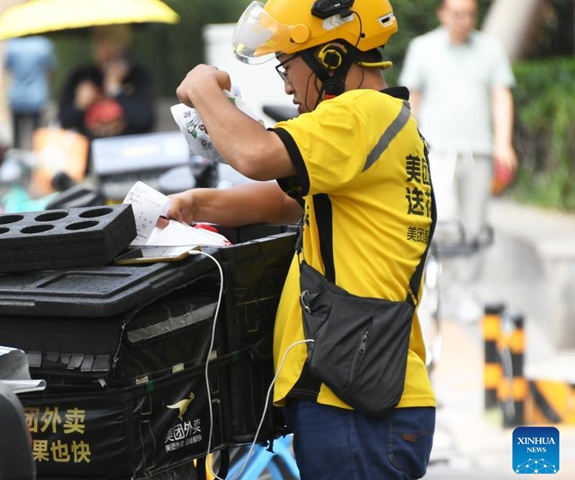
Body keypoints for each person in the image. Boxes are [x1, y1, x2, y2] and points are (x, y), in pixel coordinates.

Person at [165, 0, 436, 478]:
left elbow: (254, 153)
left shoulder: (361, 112)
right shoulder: (384, 123)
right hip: (365, 394)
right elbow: (290, 201)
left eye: (287, 66)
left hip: (354, 402)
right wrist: (198, 203)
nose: (286, 84)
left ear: (331, 58)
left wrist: (204, 87)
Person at [399, 0, 517, 323]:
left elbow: (500, 95)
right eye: (456, 13)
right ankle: (440, 289)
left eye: (468, 14)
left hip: (478, 149)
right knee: (444, 222)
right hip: (437, 150)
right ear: (442, 13)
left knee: (475, 227)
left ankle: (465, 292)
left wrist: (503, 142)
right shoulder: (423, 48)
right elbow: (414, 97)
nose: (463, 20)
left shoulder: (490, 50)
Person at [57, 24, 156, 139]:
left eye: (114, 40)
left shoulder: (138, 76)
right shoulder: (81, 76)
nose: (108, 48)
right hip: (89, 151)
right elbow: (64, 123)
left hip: (129, 149)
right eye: (101, 40)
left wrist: (116, 90)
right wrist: (79, 105)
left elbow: (145, 121)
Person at [5, 34, 57, 150]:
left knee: (17, 137)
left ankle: (18, 161)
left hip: (17, 95)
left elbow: (8, 69)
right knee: (38, 136)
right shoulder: (44, 45)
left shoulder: (12, 45)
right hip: (37, 95)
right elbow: (50, 71)